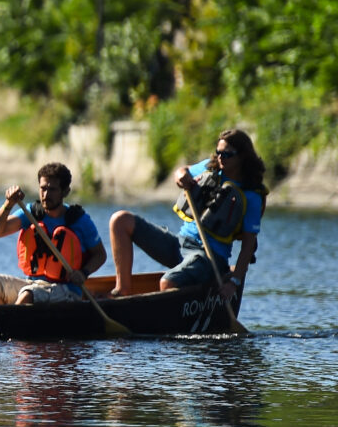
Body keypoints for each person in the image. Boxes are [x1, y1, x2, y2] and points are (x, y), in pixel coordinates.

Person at [107, 129, 265, 306]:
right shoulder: (210, 167)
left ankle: (167, 327)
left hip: (209, 259)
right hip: (180, 245)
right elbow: (183, 171)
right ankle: (122, 290)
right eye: (219, 152)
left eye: (227, 154)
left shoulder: (251, 195)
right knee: (120, 220)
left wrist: (234, 282)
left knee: (168, 282)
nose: (221, 157)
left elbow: (249, 243)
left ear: (242, 157)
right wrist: (180, 175)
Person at [0, 162, 107, 305]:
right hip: (32, 284)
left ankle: (10, 327)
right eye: (43, 188)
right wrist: (8, 204)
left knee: (27, 296)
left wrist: (84, 273)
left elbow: (100, 254)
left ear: (65, 192)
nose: (46, 195)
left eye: (52, 190)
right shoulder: (31, 213)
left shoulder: (79, 220)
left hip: (66, 289)